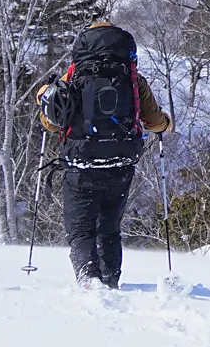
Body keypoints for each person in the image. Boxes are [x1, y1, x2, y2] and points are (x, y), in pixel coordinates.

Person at [36, 20, 172, 289]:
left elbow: (51, 123)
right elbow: (154, 122)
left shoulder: (72, 78)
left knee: (81, 227)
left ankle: (88, 279)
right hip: (120, 161)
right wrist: (165, 123)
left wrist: (45, 99)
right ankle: (110, 281)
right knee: (109, 226)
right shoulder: (133, 79)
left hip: (81, 161)